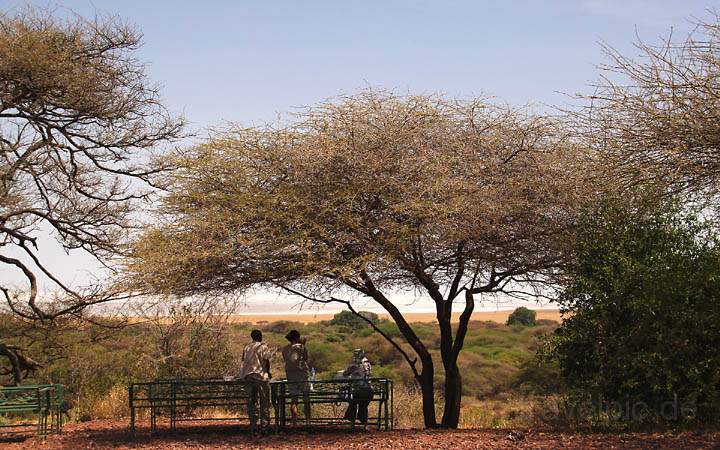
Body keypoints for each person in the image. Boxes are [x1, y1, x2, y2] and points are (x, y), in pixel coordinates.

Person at [239, 329, 272, 431]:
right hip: (260, 377)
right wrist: (268, 372)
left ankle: (253, 424)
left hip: (248, 377)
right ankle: (264, 425)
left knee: (251, 402)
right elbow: (266, 361)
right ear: (260, 336)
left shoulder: (247, 347)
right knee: (265, 401)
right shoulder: (263, 347)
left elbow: (243, 361)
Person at [281, 329, 311, 426]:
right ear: (297, 337)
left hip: (290, 376)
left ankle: (294, 422)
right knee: (306, 398)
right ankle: (308, 421)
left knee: (294, 400)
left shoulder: (285, 349)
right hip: (302, 375)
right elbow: (306, 358)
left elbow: (286, 359)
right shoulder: (301, 347)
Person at [342, 348, 373, 429]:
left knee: (353, 404)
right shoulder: (368, 363)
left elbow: (345, 374)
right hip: (369, 391)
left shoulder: (355, 364)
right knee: (363, 406)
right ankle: (364, 425)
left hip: (360, 390)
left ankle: (352, 424)